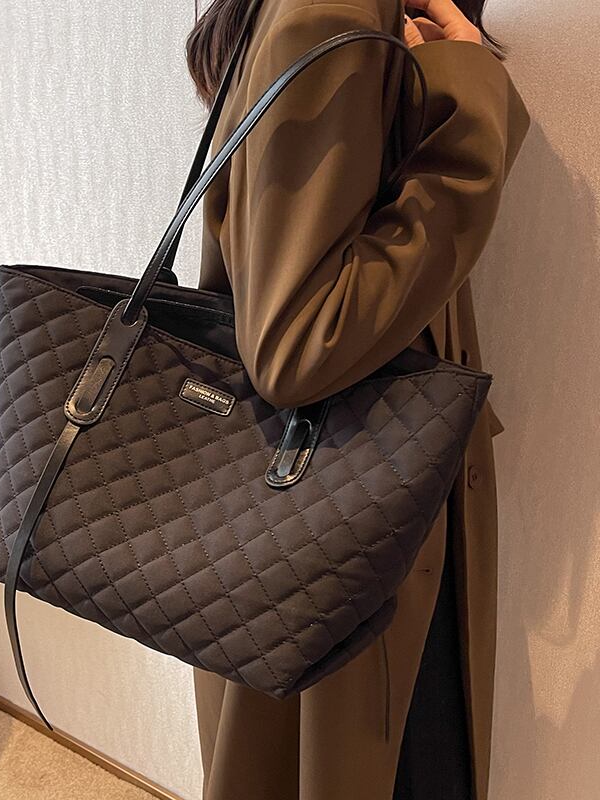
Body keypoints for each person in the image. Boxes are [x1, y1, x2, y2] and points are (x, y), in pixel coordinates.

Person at [186, 0, 530, 798]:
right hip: (357, 534)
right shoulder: (332, 14)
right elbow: (298, 347)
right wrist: (471, 112)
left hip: (363, 504)